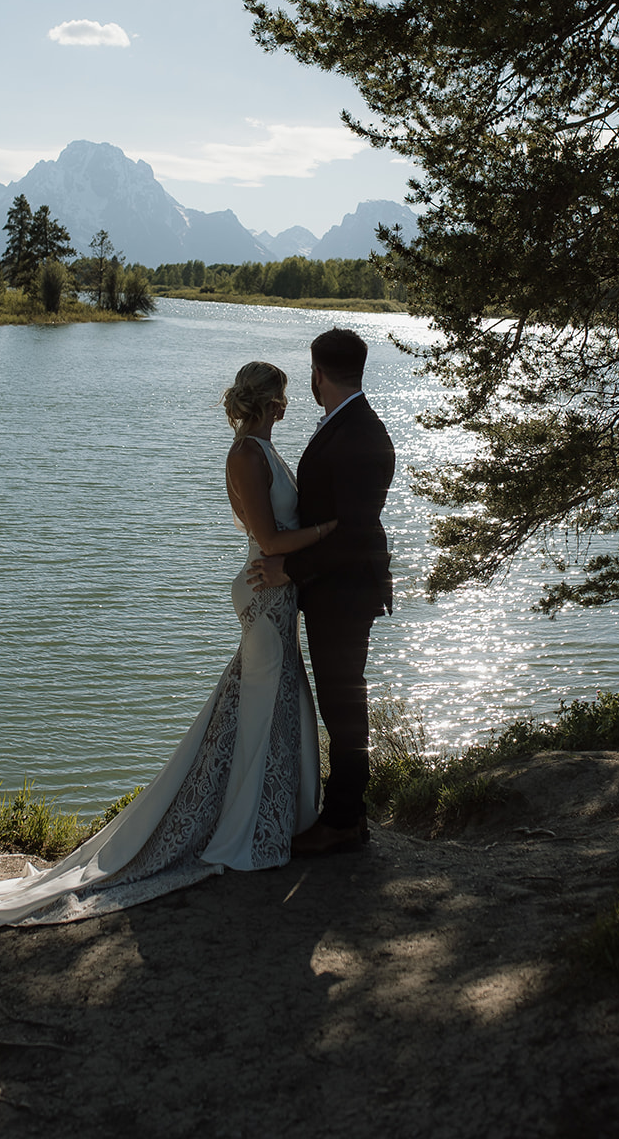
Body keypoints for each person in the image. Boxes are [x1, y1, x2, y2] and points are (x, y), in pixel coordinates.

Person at [0, 361, 333, 945]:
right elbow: (272, 540)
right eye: (283, 395)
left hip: (276, 597)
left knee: (267, 710)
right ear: (267, 401)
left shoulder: (265, 450)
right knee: (261, 711)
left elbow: (280, 538)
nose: (289, 404)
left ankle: (267, 824)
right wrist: (328, 532)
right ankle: (243, 834)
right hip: (262, 601)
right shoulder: (246, 457)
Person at [248, 328, 395, 856]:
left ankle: (343, 821)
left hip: (344, 593)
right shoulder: (351, 424)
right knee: (341, 700)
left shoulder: (357, 434)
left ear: (317, 374)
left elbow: (354, 533)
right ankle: (344, 815)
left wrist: (291, 568)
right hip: (339, 589)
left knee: (343, 703)